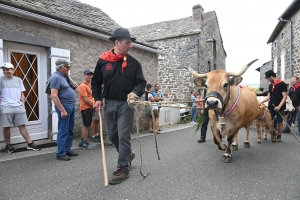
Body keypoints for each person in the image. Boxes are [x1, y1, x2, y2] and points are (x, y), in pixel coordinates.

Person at [91, 27, 146, 185]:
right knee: (113, 136)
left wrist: (135, 93)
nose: (130, 46)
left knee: (123, 135)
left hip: (126, 104)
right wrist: (97, 98)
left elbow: (141, 83)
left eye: (130, 43)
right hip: (109, 102)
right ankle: (128, 154)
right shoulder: (103, 60)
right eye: (127, 43)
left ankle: (123, 168)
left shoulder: (134, 63)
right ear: (117, 42)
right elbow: (96, 82)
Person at [0, 62, 41, 153]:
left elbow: (21, 93)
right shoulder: (1, 80)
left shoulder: (18, 80)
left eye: (7, 69)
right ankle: (8, 145)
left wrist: (22, 104)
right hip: (6, 107)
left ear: (13, 70)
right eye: (4, 70)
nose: (6, 71)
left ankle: (30, 144)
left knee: (22, 125)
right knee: (6, 127)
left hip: (18, 107)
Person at [50, 58, 79, 161]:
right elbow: (53, 95)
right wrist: (62, 110)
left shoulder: (65, 77)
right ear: (60, 67)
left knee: (70, 129)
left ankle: (67, 149)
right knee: (63, 130)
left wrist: (73, 87)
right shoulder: (56, 77)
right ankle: (60, 153)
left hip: (70, 105)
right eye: (67, 67)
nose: (69, 68)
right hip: (65, 106)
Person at [258, 70, 287, 142]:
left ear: (270, 77)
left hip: (280, 107)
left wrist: (279, 106)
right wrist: (260, 102)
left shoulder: (282, 84)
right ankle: (273, 132)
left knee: (280, 121)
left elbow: (285, 96)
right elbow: (268, 96)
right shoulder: (271, 85)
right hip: (271, 106)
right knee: (268, 120)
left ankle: (279, 136)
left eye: (267, 78)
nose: (267, 80)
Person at [77, 69, 101, 150]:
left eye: (91, 75)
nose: (89, 76)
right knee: (86, 125)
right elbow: (86, 100)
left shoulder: (89, 85)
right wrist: (93, 106)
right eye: (88, 75)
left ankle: (82, 141)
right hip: (86, 108)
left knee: (86, 125)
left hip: (89, 108)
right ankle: (85, 142)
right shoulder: (82, 86)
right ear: (84, 75)